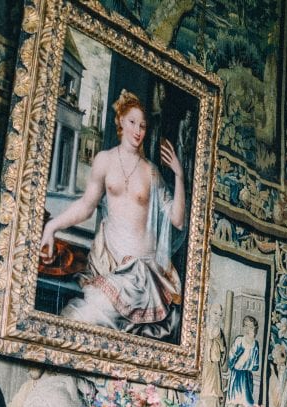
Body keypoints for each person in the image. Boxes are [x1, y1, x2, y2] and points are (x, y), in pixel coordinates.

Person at [39, 89, 186, 340]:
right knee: (84, 322)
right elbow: (86, 205)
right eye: (132, 122)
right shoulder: (104, 160)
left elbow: (178, 219)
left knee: (102, 329)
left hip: (143, 273)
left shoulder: (151, 172)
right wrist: (51, 227)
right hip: (112, 267)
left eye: (142, 125)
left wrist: (179, 176)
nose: (138, 131)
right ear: (120, 122)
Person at [225, 314, 260, 407]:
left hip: (246, 376)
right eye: (245, 326)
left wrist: (249, 366)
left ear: (255, 329)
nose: (247, 329)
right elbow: (231, 357)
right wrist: (236, 356)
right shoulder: (239, 340)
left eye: (250, 327)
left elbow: (255, 364)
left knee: (245, 404)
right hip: (236, 375)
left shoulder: (255, 344)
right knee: (233, 403)